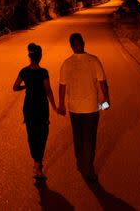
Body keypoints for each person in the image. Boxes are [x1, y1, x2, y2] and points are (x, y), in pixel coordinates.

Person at [57, 32, 110, 184]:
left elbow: (62, 86)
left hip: (74, 108)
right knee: (89, 139)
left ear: (72, 46)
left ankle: (80, 162)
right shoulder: (94, 60)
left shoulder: (66, 63)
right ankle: (88, 168)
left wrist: (61, 105)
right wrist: (106, 99)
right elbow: (102, 82)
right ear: (83, 43)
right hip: (92, 108)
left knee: (78, 137)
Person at [13, 43, 57, 179]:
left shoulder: (24, 71)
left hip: (29, 107)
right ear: (40, 56)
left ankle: (36, 162)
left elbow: (15, 87)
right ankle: (38, 164)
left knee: (32, 135)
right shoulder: (43, 72)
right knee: (42, 135)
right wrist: (55, 107)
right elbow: (48, 91)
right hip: (41, 106)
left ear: (30, 56)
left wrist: (27, 86)